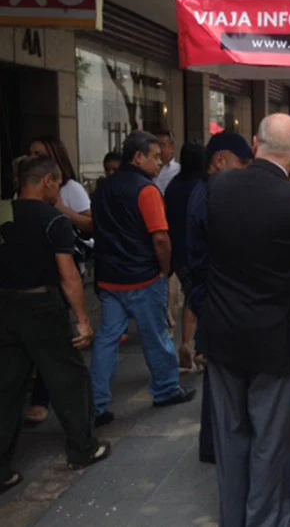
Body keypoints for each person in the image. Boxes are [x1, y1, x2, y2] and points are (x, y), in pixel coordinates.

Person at [202, 114, 290, 527]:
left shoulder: (218, 187)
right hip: (276, 337)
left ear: (256, 143)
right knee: (271, 441)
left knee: (230, 437)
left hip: (223, 331)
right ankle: (263, 520)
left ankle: (233, 517)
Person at [0, 156, 111, 493]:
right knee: (68, 377)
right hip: (42, 306)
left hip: (6, 305)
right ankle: (82, 448)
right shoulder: (53, 220)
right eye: (58, 184)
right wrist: (83, 320)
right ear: (46, 181)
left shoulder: (3, 212)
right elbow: (69, 276)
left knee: (8, 386)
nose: (59, 191)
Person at [91, 131, 195, 428]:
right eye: (155, 157)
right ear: (138, 157)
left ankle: (97, 403)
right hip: (142, 275)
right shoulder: (146, 190)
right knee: (157, 336)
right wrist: (164, 269)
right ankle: (166, 389)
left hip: (110, 277)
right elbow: (160, 237)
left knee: (107, 340)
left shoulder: (104, 189)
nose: (160, 163)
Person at [186, 131, 254, 464]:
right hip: (214, 294)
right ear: (220, 160)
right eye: (242, 165)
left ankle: (215, 443)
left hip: (211, 292)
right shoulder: (210, 196)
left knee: (220, 373)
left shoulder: (209, 192)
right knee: (222, 375)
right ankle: (217, 444)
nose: (246, 173)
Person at [26, 136, 93, 425]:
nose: (34, 158)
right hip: (29, 286)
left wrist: (62, 210)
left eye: (40, 153)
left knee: (56, 350)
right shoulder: (24, 200)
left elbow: (89, 224)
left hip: (50, 283)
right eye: (31, 154)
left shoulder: (69, 192)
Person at [164, 142, 206, 371]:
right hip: (198, 249)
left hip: (178, 250)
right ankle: (194, 346)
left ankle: (188, 344)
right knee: (197, 297)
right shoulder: (202, 186)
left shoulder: (173, 185)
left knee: (191, 295)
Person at [153, 129, 181, 194]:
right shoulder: (149, 169)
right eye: (156, 145)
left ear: (172, 148)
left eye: (162, 145)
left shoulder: (178, 171)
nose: (158, 149)